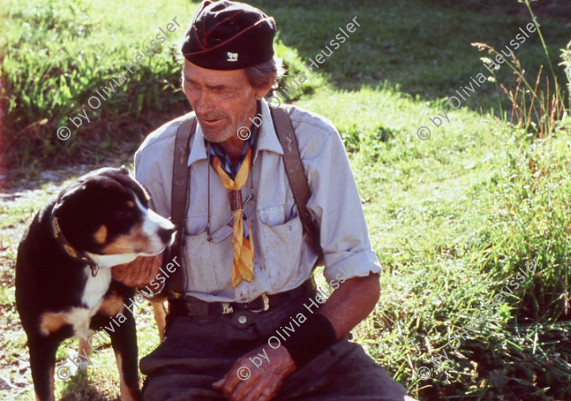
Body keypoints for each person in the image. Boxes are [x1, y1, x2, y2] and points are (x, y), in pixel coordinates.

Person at [112, 1, 415, 400]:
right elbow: (153, 284)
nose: (202, 105)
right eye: (192, 84)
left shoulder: (312, 143)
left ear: (263, 83)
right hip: (194, 353)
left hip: (302, 337)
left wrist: (285, 355)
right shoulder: (159, 155)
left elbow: (361, 283)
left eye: (220, 89)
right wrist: (136, 275)